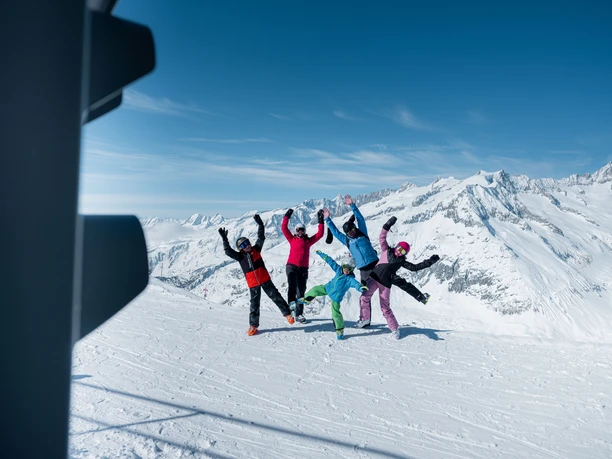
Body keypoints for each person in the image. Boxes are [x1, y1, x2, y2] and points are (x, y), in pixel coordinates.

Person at [358, 216, 440, 338]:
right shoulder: (386, 250)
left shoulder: (401, 262)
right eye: (399, 249)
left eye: (403, 252)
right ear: (396, 247)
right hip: (374, 278)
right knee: (364, 297)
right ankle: (364, 319)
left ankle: (395, 328)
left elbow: (414, 267)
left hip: (385, 285)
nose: (399, 252)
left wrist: (430, 262)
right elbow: (381, 237)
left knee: (385, 308)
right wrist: (387, 224)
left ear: (404, 254)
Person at [218, 214, 295, 336]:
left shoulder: (256, 250)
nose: (247, 246)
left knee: (276, 296)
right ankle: (253, 326)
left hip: (264, 279)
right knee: (254, 305)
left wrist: (260, 224)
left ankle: (288, 314)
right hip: (253, 283)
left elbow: (261, 237)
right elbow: (228, 251)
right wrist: (224, 239)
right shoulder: (240, 257)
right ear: (240, 249)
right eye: (243, 245)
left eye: (247, 243)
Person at [298, 250, 368, 340]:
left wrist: (360, 287)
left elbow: (356, 284)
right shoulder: (339, 270)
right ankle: (306, 299)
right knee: (315, 289)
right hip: (327, 288)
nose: (346, 270)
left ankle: (339, 330)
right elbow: (331, 262)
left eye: (349, 269)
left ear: (352, 269)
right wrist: (323, 255)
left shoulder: (349, 279)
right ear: (342, 266)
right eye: (345, 267)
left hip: (336, 297)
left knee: (335, 314)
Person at [323, 195, 379, 285]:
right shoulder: (347, 240)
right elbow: (336, 232)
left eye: (352, 230)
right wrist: (327, 219)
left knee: (385, 284)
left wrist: (352, 205)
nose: (351, 233)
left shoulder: (362, 233)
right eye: (349, 232)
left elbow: (360, 219)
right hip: (363, 268)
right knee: (365, 292)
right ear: (346, 234)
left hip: (375, 263)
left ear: (354, 228)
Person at [282, 208, 325, 323]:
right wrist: (287, 216)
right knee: (292, 287)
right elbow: (284, 228)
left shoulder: (308, 241)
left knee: (301, 291)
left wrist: (321, 221)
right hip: (291, 266)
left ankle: (299, 314)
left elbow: (320, 234)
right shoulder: (292, 239)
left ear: (305, 231)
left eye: (302, 230)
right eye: (298, 230)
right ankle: (291, 310)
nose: (300, 232)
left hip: (303, 269)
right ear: (295, 231)